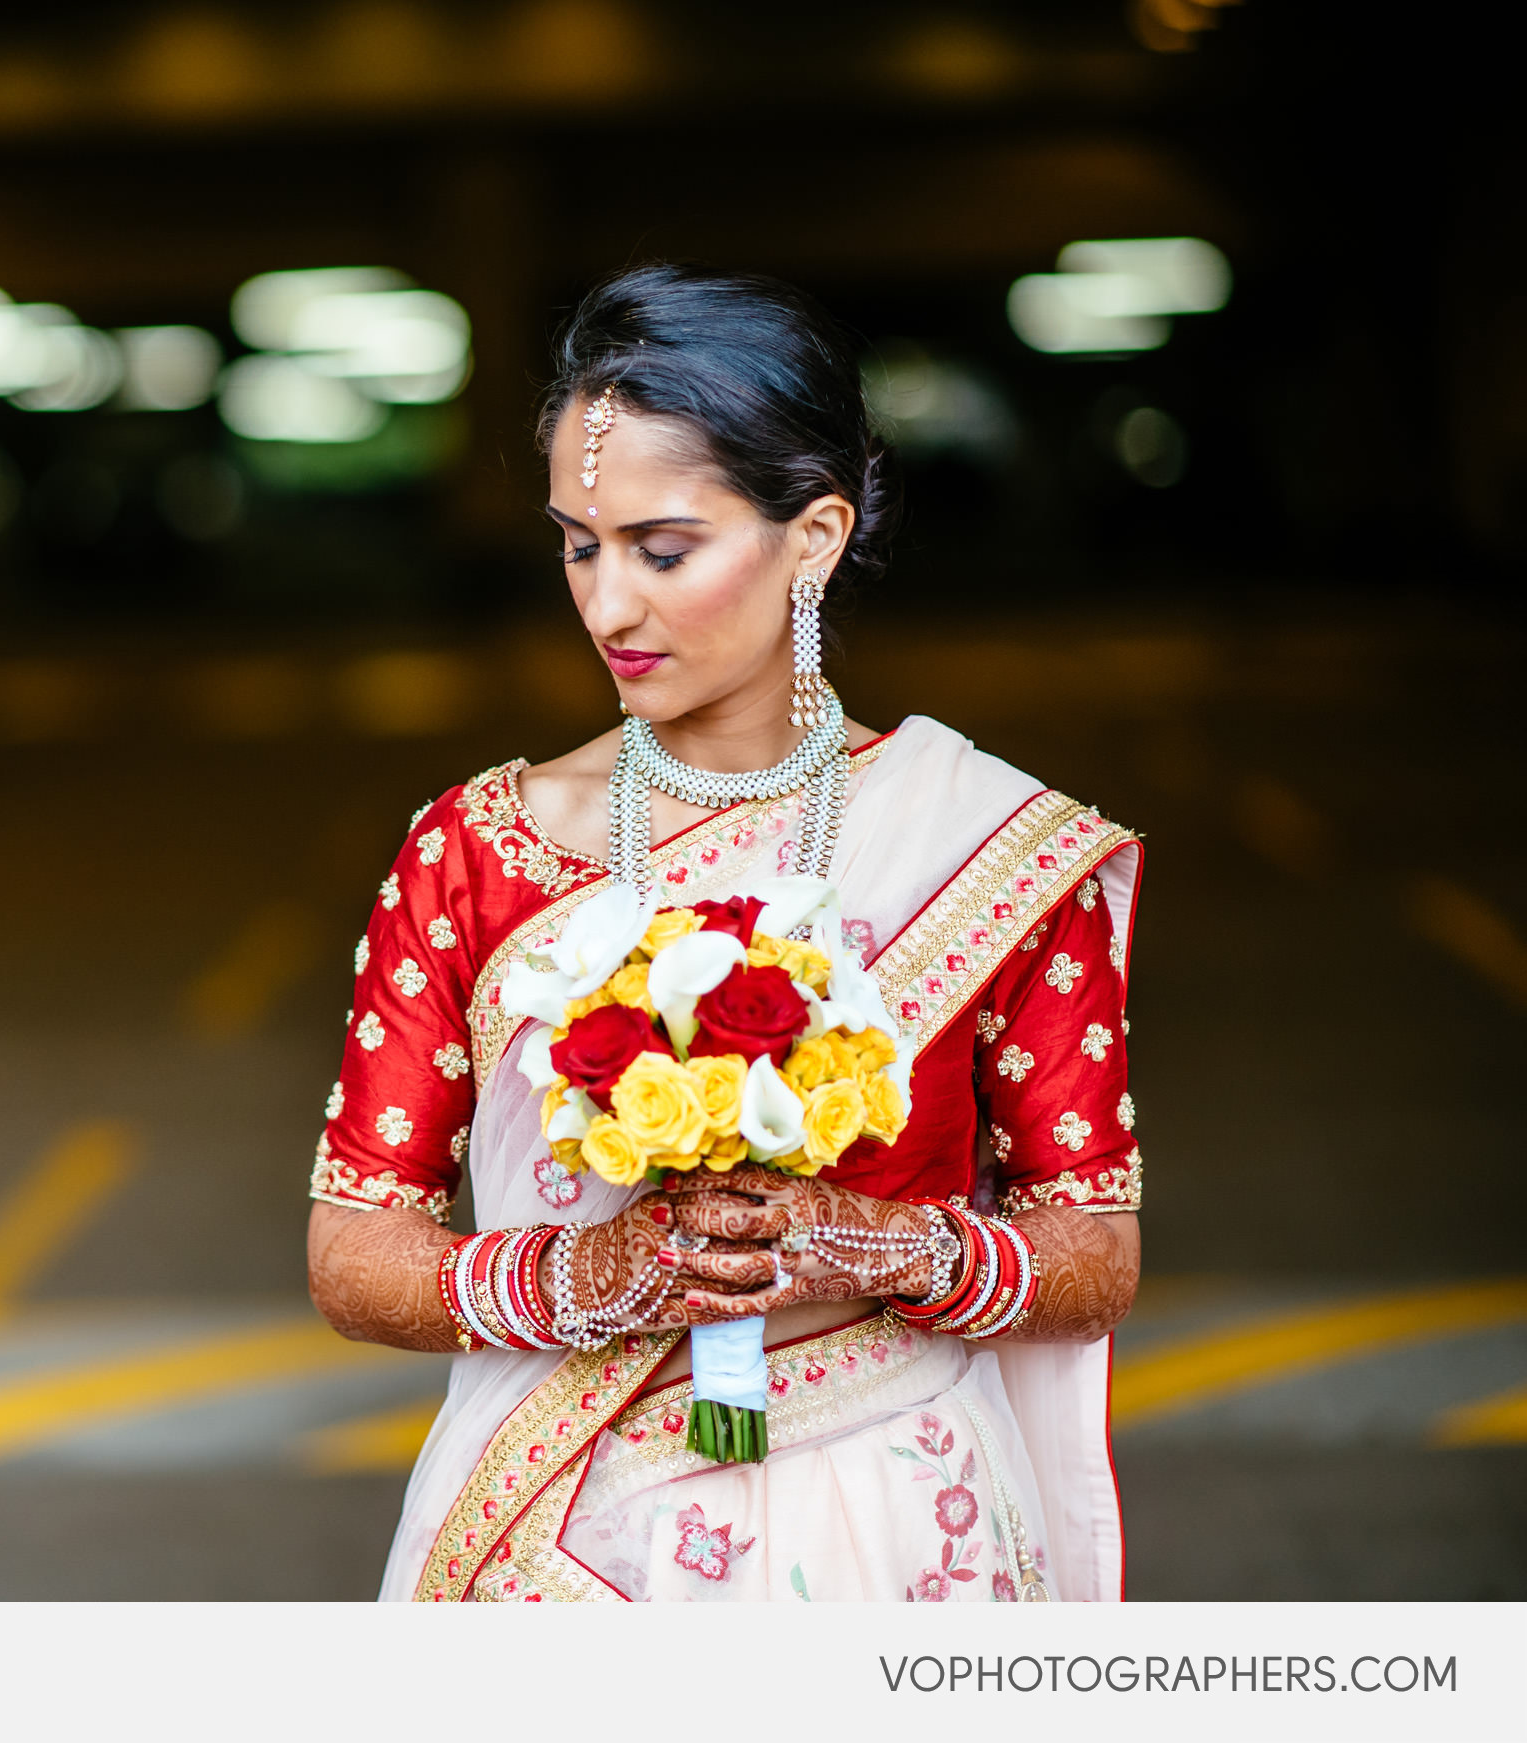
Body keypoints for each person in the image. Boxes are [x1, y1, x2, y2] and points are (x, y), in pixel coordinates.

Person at [305, 265, 1142, 1603]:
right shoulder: (474, 850)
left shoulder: (985, 843)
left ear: (813, 535)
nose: (607, 607)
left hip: (897, 1516)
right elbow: (356, 1250)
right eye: (580, 544)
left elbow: (1093, 1250)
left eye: (663, 549)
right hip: (566, 1537)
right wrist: (592, 1273)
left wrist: (890, 1246)